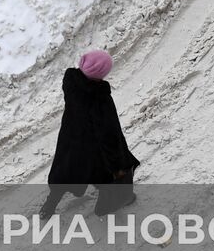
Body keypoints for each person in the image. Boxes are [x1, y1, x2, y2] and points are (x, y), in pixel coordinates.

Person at [39, 50, 140, 217]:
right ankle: (106, 206)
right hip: (93, 148)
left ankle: (49, 206)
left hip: (70, 139)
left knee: (65, 174)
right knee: (109, 177)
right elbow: (109, 134)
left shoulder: (71, 81)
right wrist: (117, 165)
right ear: (100, 74)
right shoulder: (100, 98)